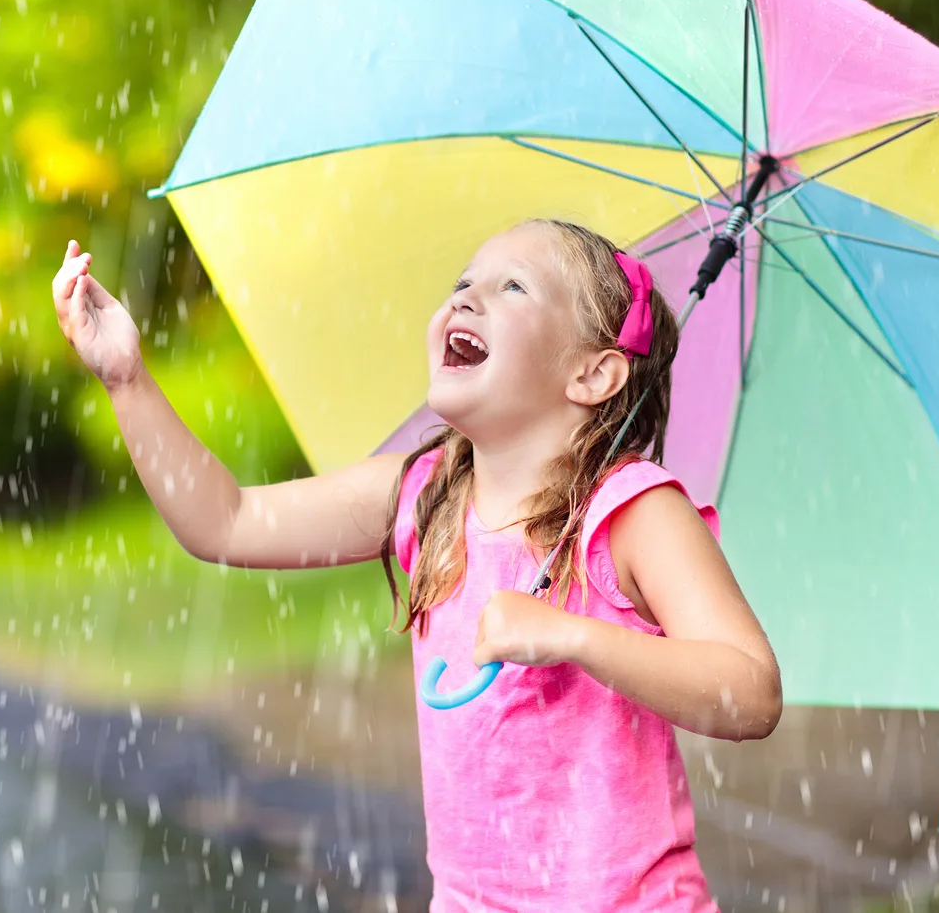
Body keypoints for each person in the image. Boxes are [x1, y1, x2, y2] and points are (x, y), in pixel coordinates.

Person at [52, 218, 782, 911]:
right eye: (466, 281)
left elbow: (749, 691)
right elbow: (225, 521)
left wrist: (576, 636)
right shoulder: (425, 494)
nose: (467, 296)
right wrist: (126, 378)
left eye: (513, 288)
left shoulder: (631, 513)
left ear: (593, 375)